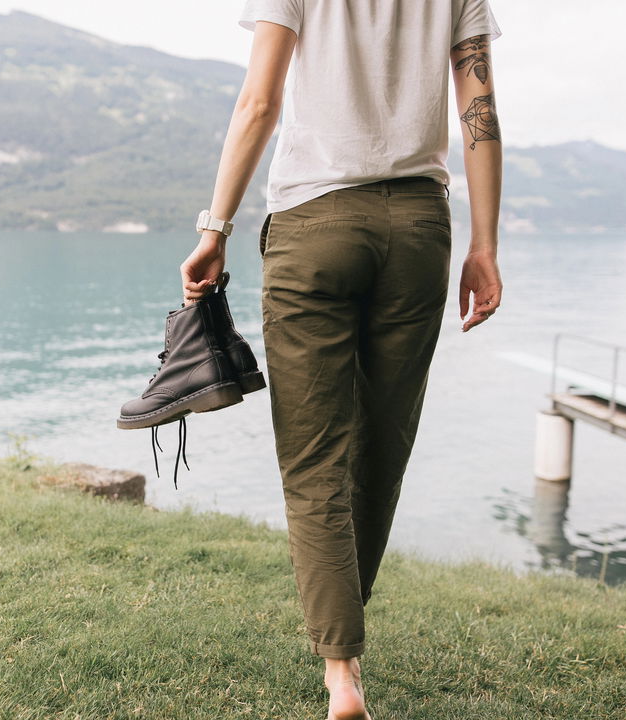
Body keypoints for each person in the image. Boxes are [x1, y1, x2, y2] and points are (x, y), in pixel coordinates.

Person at [179, 1, 503, 717]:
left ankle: (341, 671)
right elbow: (478, 104)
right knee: (382, 442)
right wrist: (484, 244)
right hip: (420, 228)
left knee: (313, 454)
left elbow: (259, 101)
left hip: (314, 224)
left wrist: (215, 227)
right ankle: (344, 632)